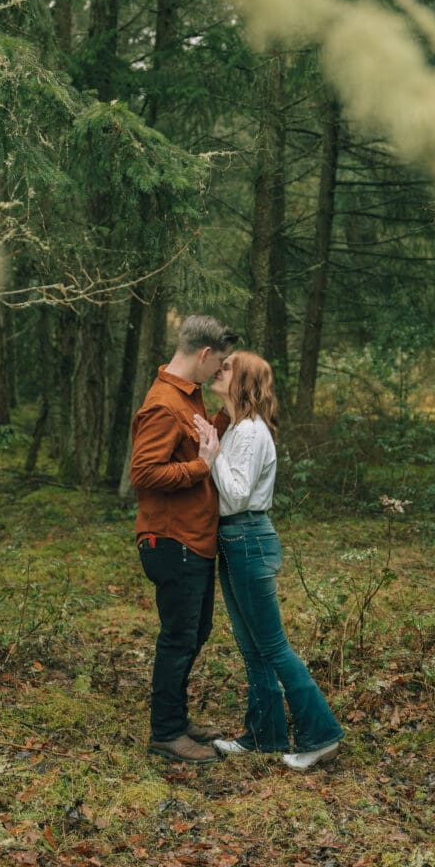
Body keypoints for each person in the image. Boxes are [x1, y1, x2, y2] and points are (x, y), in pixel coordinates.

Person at [194, 351, 344, 771]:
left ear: (242, 383)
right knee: (253, 646)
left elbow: (237, 494)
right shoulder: (240, 429)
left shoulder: (249, 432)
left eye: (227, 369)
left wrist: (212, 452)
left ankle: (322, 735)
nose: (218, 372)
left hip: (247, 536)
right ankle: (264, 736)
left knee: (273, 646)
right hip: (236, 538)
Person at [130, 314, 240, 763]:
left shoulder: (187, 397)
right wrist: (202, 465)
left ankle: (176, 719)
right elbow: (144, 473)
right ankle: (166, 734)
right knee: (179, 636)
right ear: (204, 353)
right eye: (219, 365)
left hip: (194, 538)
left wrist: (227, 416)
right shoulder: (163, 404)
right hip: (171, 541)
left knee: (196, 632)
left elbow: (199, 441)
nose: (219, 373)